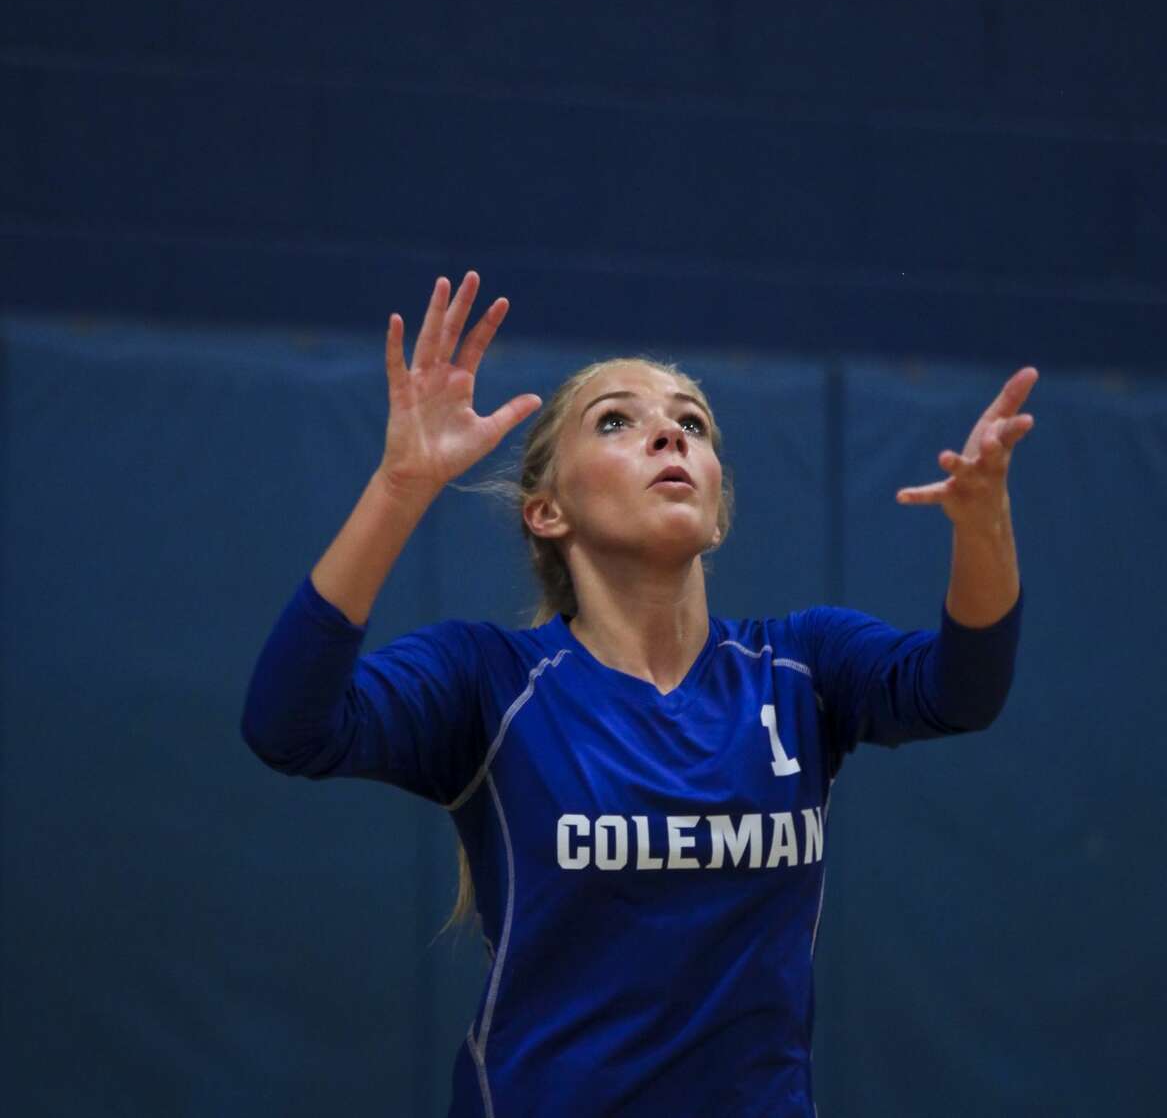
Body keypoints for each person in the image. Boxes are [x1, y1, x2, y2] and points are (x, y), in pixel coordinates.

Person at [241, 270, 1033, 1118]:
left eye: (692, 422)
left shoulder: (802, 664)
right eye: (617, 420)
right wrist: (401, 487)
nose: (669, 436)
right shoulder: (491, 681)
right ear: (547, 511)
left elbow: (962, 689)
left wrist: (984, 522)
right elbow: (288, 726)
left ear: (719, 514)